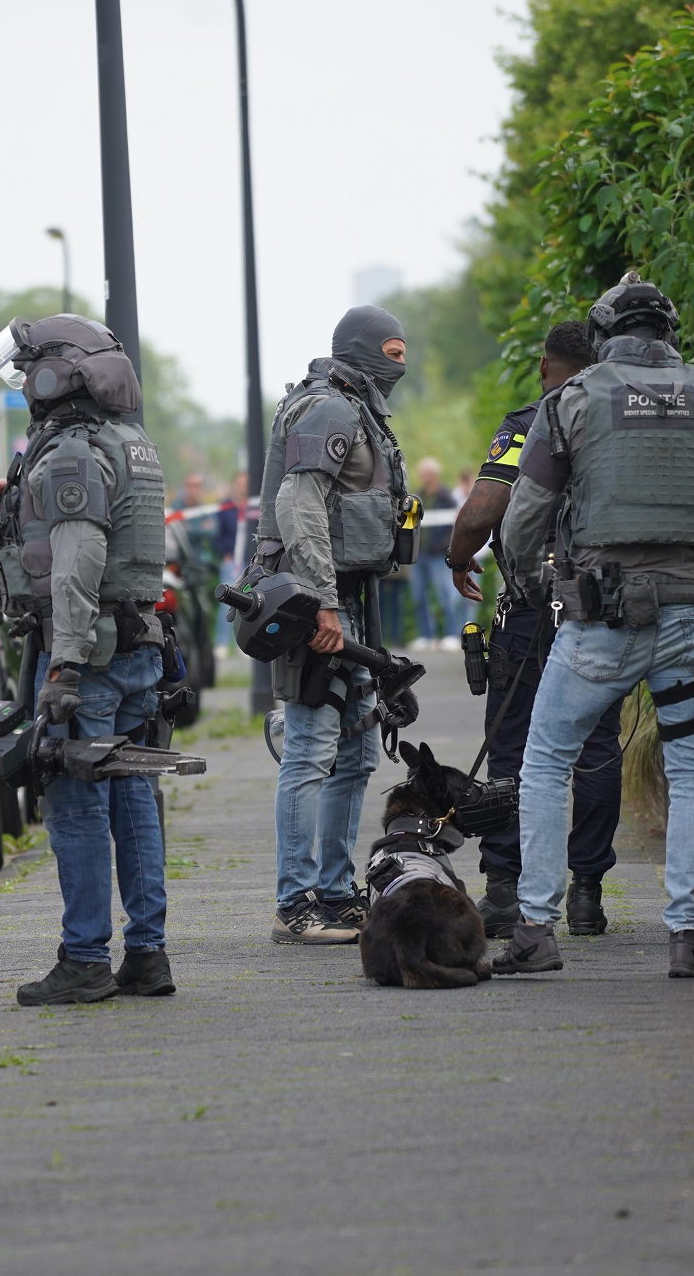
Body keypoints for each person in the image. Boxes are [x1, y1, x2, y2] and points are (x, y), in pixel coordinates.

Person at [492, 274, 694, 978]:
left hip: (597, 622)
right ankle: (688, 939)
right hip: (688, 621)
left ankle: (535, 930)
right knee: (690, 767)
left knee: (547, 760)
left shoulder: (570, 403)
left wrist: (526, 577)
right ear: (670, 335)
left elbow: (526, 513)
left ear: (602, 337)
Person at [0, 313, 173, 1005]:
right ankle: (147, 955)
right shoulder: (129, 443)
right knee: (134, 791)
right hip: (135, 645)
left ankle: (85, 958)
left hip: (84, 653)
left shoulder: (71, 454)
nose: (25, 382)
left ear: (59, 373)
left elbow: (76, 567)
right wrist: (8, 503)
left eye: (30, 370)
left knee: (75, 799)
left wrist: (63, 667)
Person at [445, 320, 621, 939]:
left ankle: (503, 889)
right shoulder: (618, 418)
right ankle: (587, 894)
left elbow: (484, 513)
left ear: (547, 366)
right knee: (597, 745)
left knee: (513, 746)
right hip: (602, 603)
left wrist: (460, 555)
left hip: (530, 604)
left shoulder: (528, 422)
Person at [254, 305, 411, 944]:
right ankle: (297, 903)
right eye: (393, 352)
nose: (401, 364)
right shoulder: (330, 408)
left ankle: (338, 891)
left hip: (354, 599)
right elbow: (299, 502)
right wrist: (321, 600)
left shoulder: (356, 407)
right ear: (363, 350)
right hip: (319, 603)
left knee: (358, 749)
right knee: (314, 750)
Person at [407, 457, 467, 651]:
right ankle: (426, 635)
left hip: (438, 554)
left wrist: (444, 546)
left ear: (434, 475)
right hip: (419, 554)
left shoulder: (446, 497)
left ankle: (451, 633)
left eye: (425, 474)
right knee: (419, 596)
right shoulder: (418, 496)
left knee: (445, 595)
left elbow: (453, 526)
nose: (423, 478)